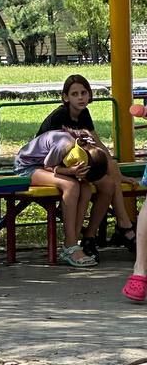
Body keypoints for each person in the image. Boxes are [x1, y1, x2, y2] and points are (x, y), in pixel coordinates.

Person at [36, 74, 135, 260]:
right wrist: (69, 171)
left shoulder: (84, 114)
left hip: (76, 164)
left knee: (109, 182)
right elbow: (49, 156)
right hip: (51, 166)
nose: (80, 97)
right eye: (75, 94)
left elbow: (98, 145)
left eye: (84, 93)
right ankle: (124, 224)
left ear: (89, 95)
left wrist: (117, 174)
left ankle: (89, 237)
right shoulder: (59, 117)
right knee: (88, 185)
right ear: (65, 97)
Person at [14, 129, 108, 267]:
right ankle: (70, 245)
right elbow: (48, 166)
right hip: (28, 167)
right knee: (70, 185)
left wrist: (75, 173)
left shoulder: (84, 147)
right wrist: (70, 171)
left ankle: (73, 242)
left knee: (86, 188)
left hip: (49, 167)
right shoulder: (64, 144)